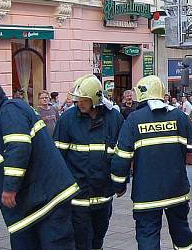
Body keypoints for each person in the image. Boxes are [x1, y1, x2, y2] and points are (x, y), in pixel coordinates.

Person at [0, 77, 79, 249]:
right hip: (36, 202)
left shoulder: (10, 111)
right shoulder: (4, 117)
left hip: (46, 200)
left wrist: (10, 188)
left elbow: (19, 148)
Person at [111, 75, 192, 250]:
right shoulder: (179, 116)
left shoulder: (134, 120)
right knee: (182, 233)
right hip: (177, 190)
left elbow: (122, 157)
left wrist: (119, 185)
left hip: (146, 194)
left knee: (147, 236)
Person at [53, 74, 125, 250]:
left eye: (83, 100)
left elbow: (122, 155)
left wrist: (120, 183)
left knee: (98, 238)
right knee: (81, 241)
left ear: (95, 98)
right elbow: (57, 158)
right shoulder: (67, 119)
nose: (79, 103)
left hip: (103, 193)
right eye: (77, 100)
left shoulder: (114, 118)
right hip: (78, 196)